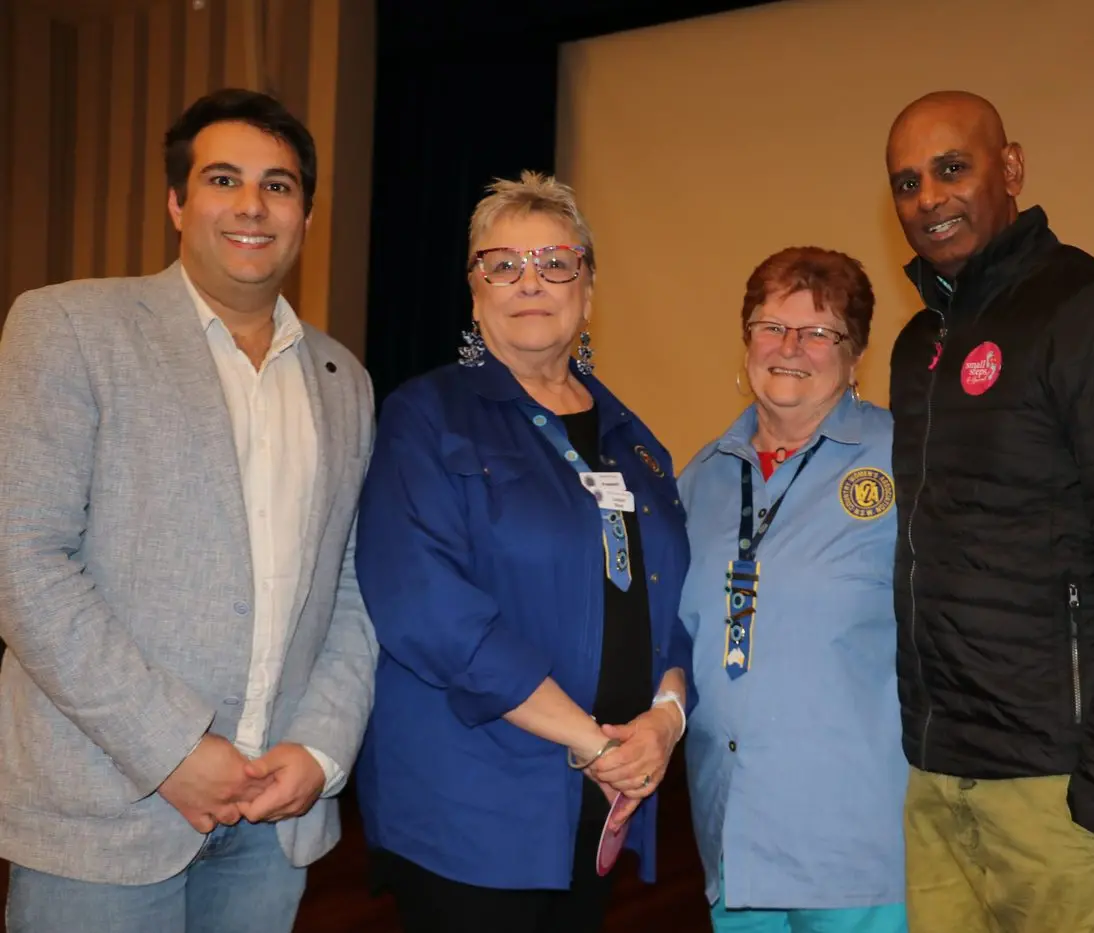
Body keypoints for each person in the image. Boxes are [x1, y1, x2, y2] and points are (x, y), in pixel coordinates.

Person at [0, 88, 378, 932]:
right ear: (177, 202)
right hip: (102, 807)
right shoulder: (67, 326)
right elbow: (23, 562)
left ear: (306, 215)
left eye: (278, 186)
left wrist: (318, 750)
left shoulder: (343, 379)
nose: (252, 205)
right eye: (223, 179)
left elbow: (352, 587)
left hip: (270, 819)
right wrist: (173, 748)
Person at [884, 90, 1094, 933]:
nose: (927, 197)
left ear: (1010, 167)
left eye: (951, 168)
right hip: (937, 786)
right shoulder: (916, 346)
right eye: (904, 181)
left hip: (1059, 794)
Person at [353, 171, 695, 933]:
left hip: (605, 795)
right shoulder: (427, 416)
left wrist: (663, 721)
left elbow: (674, 605)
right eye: (502, 263)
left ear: (588, 286)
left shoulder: (635, 441)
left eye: (555, 261)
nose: (529, 281)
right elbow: (422, 605)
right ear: (474, 291)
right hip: (473, 801)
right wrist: (588, 739)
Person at [678, 247, 909, 933]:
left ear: (855, 352)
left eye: (818, 332)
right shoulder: (701, 479)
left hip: (854, 842)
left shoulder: (907, 461)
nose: (790, 348)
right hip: (734, 835)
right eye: (770, 326)